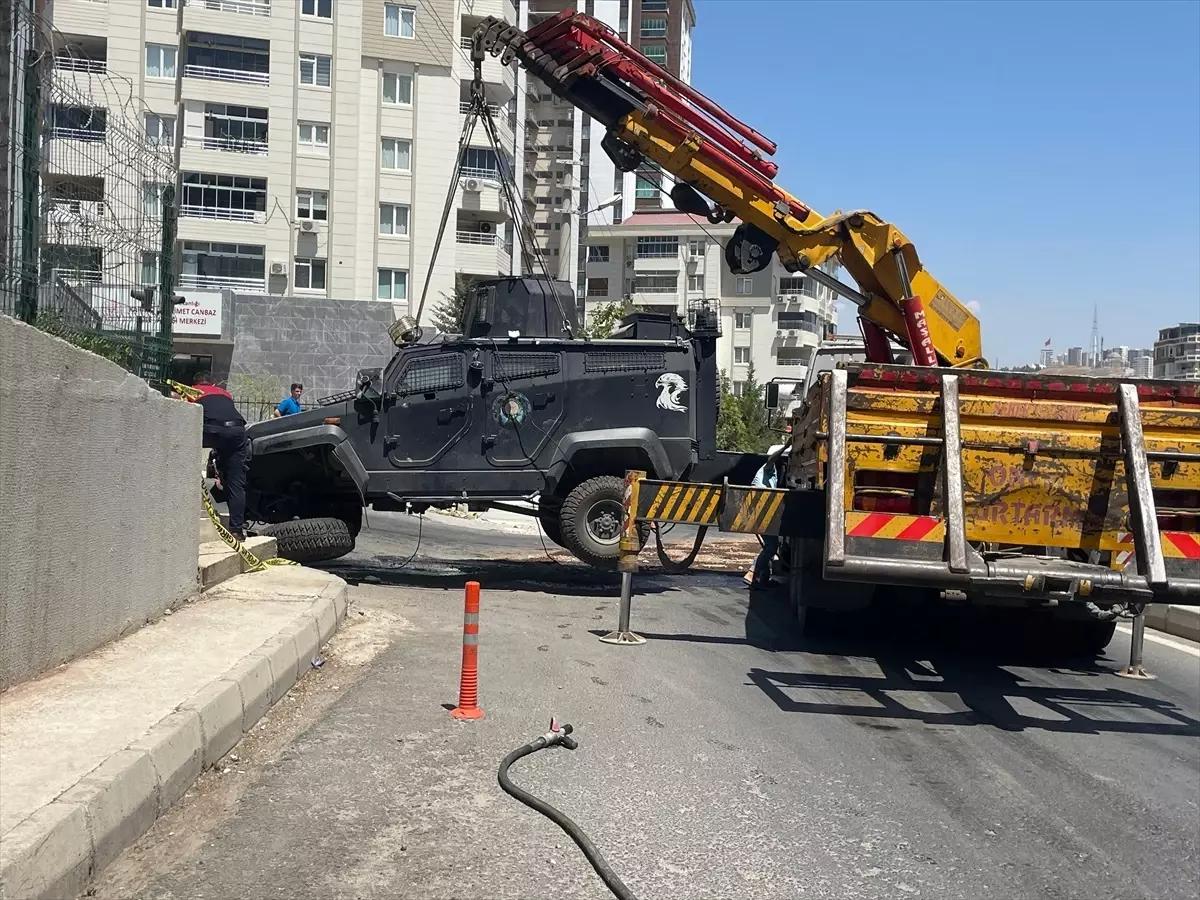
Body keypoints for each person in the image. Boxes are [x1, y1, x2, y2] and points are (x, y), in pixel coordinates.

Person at [189, 371, 250, 542]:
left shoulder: (192, 391)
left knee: (186, 440)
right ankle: (237, 531)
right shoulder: (225, 393)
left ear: (195, 384)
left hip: (212, 430)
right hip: (237, 431)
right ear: (213, 384)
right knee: (236, 483)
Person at [746, 449, 784, 588]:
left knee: (769, 546)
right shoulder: (768, 468)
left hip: (760, 511)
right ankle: (752, 573)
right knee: (771, 547)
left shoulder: (770, 477)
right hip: (762, 511)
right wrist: (785, 447)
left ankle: (762, 577)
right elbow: (771, 459)